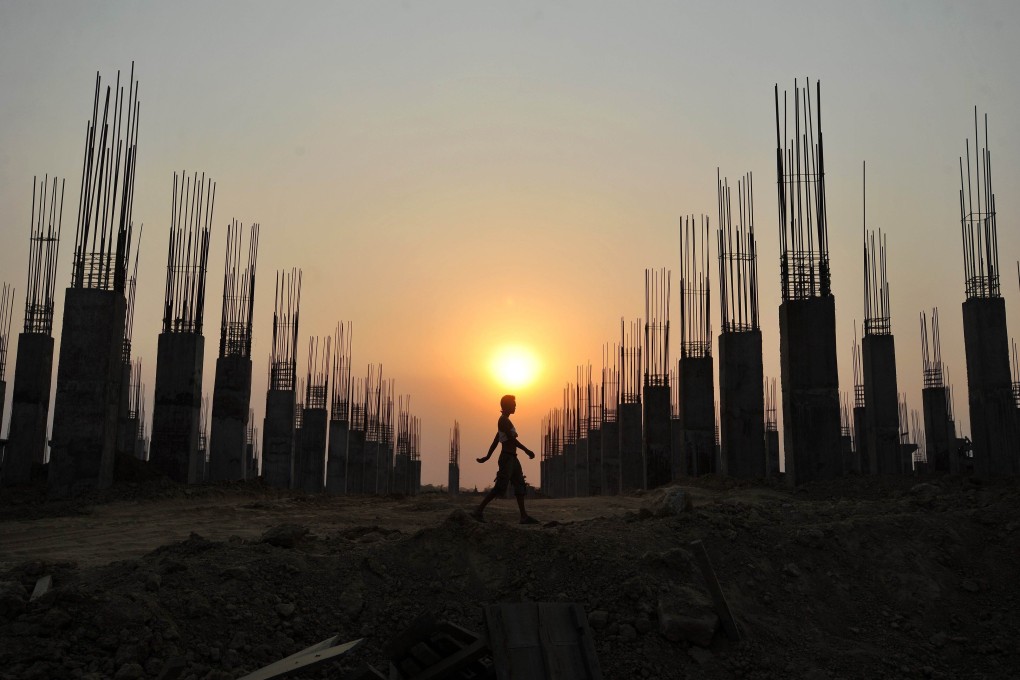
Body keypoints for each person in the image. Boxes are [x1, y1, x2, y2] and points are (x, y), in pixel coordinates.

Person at [471, 394, 540, 525]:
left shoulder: (505, 421)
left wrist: (488, 456)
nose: (515, 406)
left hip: (513, 459)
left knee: (520, 486)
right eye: (513, 404)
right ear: (507, 406)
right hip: (507, 458)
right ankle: (478, 512)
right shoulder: (502, 420)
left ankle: (524, 516)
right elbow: (511, 439)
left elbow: (496, 439)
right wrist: (526, 450)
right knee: (500, 487)